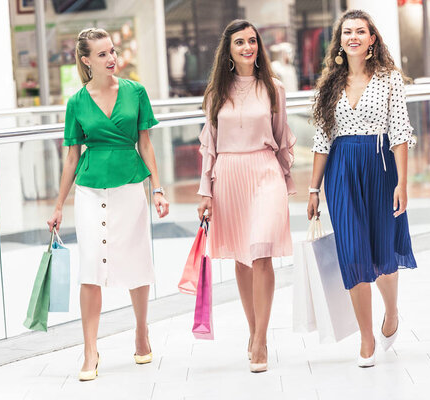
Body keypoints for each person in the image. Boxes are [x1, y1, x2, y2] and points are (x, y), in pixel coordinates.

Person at [46, 28, 169, 381]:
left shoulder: (136, 92)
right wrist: (58, 206)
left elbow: (145, 143)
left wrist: (157, 188)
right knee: (90, 268)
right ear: (86, 61)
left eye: (112, 51)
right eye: (102, 54)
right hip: (89, 190)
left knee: (137, 259)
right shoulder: (76, 103)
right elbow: (71, 157)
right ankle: (90, 349)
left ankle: (141, 331)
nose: (111, 58)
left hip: (131, 185)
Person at [307, 10, 417, 368]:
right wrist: (313, 189)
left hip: (380, 168)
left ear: (372, 39)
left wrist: (402, 182)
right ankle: (366, 338)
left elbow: (400, 133)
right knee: (353, 253)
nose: (353, 36)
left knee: (383, 254)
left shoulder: (389, 80)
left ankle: (392, 313)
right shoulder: (328, 87)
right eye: (347, 32)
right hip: (341, 171)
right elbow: (322, 141)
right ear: (339, 41)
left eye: (360, 31)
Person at [196, 19, 296, 373]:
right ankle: (253, 331)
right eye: (240, 42)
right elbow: (209, 146)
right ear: (229, 50)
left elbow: (282, 136)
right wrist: (205, 191)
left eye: (252, 41)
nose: (248, 47)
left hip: (266, 172)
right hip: (228, 176)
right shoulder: (214, 95)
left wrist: (287, 180)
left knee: (262, 251)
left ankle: (261, 339)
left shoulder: (274, 88)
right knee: (241, 257)